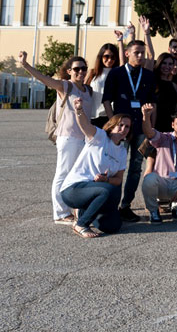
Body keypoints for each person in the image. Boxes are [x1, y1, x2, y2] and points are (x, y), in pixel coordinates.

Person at [18, 51, 95, 225]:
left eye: (84, 69)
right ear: (69, 71)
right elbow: (43, 79)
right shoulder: (65, 86)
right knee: (63, 173)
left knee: (78, 174)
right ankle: (60, 213)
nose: (81, 72)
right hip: (67, 137)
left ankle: (74, 209)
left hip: (83, 138)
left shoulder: (88, 90)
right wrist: (25, 64)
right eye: (77, 69)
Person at [102, 39, 156, 222]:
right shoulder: (116, 73)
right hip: (121, 128)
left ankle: (126, 205)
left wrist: (151, 129)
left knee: (135, 168)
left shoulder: (148, 75)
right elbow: (107, 100)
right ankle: (111, 205)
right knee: (115, 166)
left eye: (143, 52)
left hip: (141, 128)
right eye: (136, 52)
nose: (140, 56)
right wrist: (112, 123)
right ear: (127, 53)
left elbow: (153, 104)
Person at [59, 99, 130, 238]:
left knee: (113, 226)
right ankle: (81, 224)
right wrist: (79, 110)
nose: (123, 129)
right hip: (73, 189)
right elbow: (85, 125)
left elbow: (118, 180)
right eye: (120, 125)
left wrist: (107, 179)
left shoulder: (121, 151)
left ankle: (84, 211)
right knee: (106, 190)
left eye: (127, 127)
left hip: (97, 190)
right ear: (112, 125)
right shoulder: (99, 137)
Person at [85, 38, 123, 127]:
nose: (109, 60)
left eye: (113, 57)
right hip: (93, 116)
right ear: (101, 56)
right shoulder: (92, 73)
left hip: (111, 116)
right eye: (106, 56)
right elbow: (83, 91)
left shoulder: (117, 73)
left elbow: (123, 62)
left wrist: (120, 41)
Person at [152, 52, 177, 134]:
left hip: (170, 125)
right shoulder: (153, 82)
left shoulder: (174, 85)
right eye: (164, 63)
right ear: (159, 63)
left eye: (170, 64)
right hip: (155, 124)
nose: (167, 66)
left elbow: (176, 106)